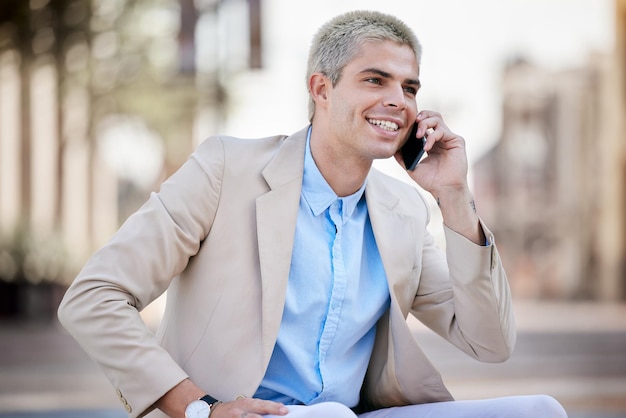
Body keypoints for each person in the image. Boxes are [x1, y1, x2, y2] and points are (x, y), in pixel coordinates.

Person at [58, 10, 568, 418]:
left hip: (349, 415)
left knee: (541, 410)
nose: (398, 101)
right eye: (376, 80)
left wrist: (454, 196)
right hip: (239, 415)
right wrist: (198, 407)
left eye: (409, 88)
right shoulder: (225, 170)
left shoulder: (404, 211)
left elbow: (491, 341)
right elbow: (93, 297)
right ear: (321, 89)